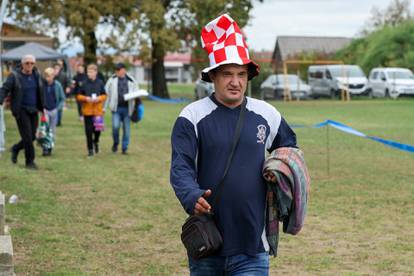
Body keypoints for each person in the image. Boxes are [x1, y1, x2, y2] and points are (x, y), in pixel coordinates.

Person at [170, 14, 298, 275]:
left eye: (241, 74)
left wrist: (281, 174)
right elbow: (180, 167)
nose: (236, 82)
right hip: (208, 240)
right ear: (213, 76)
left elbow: (290, 150)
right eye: (227, 74)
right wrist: (190, 195)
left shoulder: (267, 114)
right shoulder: (192, 116)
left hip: (253, 245)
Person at [0, 54, 45, 169]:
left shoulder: (37, 74)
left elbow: (41, 90)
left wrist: (43, 106)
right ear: (22, 64)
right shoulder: (14, 76)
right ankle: (30, 162)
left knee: (32, 137)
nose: (29, 65)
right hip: (21, 110)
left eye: (32, 63)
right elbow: (5, 88)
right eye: (27, 63)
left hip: (34, 109)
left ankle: (16, 148)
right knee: (27, 137)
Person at [104, 63, 138, 154]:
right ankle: (115, 143)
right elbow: (106, 94)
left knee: (126, 130)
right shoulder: (111, 80)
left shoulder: (131, 80)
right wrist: (104, 107)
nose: (119, 72)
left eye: (121, 70)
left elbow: (136, 92)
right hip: (116, 109)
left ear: (124, 70)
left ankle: (124, 148)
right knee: (115, 127)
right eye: (117, 70)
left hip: (128, 109)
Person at [76, 64, 107, 156]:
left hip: (98, 111)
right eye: (88, 72)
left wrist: (99, 98)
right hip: (87, 111)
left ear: (95, 72)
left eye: (91, 72)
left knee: (98, 130)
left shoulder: (100, 83)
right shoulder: (84, 83)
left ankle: (96, 142)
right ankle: (90, 150)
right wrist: (85, 98)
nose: (89, 73)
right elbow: (78, 96)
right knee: (88, 131)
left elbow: (104, 95)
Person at [42, 67, 66, 156]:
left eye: (50, 76)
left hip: (54, 110)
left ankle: (50, 147)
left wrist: (57, 108)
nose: (48, 78)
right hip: (45, 110)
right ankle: (45, 148)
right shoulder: (42, 85)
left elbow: (62, 98)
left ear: (53, 76)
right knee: (45, 129)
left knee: (52, 130)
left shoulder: (57, 85)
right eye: (46, 76)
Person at [53, 61, 70, 126]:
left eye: (57, 68)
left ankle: (59, 122)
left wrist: (68, 87)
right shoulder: (52, 75)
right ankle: (55, 121)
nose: (56, 70)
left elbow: (68, 82)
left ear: (60, 69)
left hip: (61, 93)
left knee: (59, 108)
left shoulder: (63, 75)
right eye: (55, 68)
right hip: (53, 94)